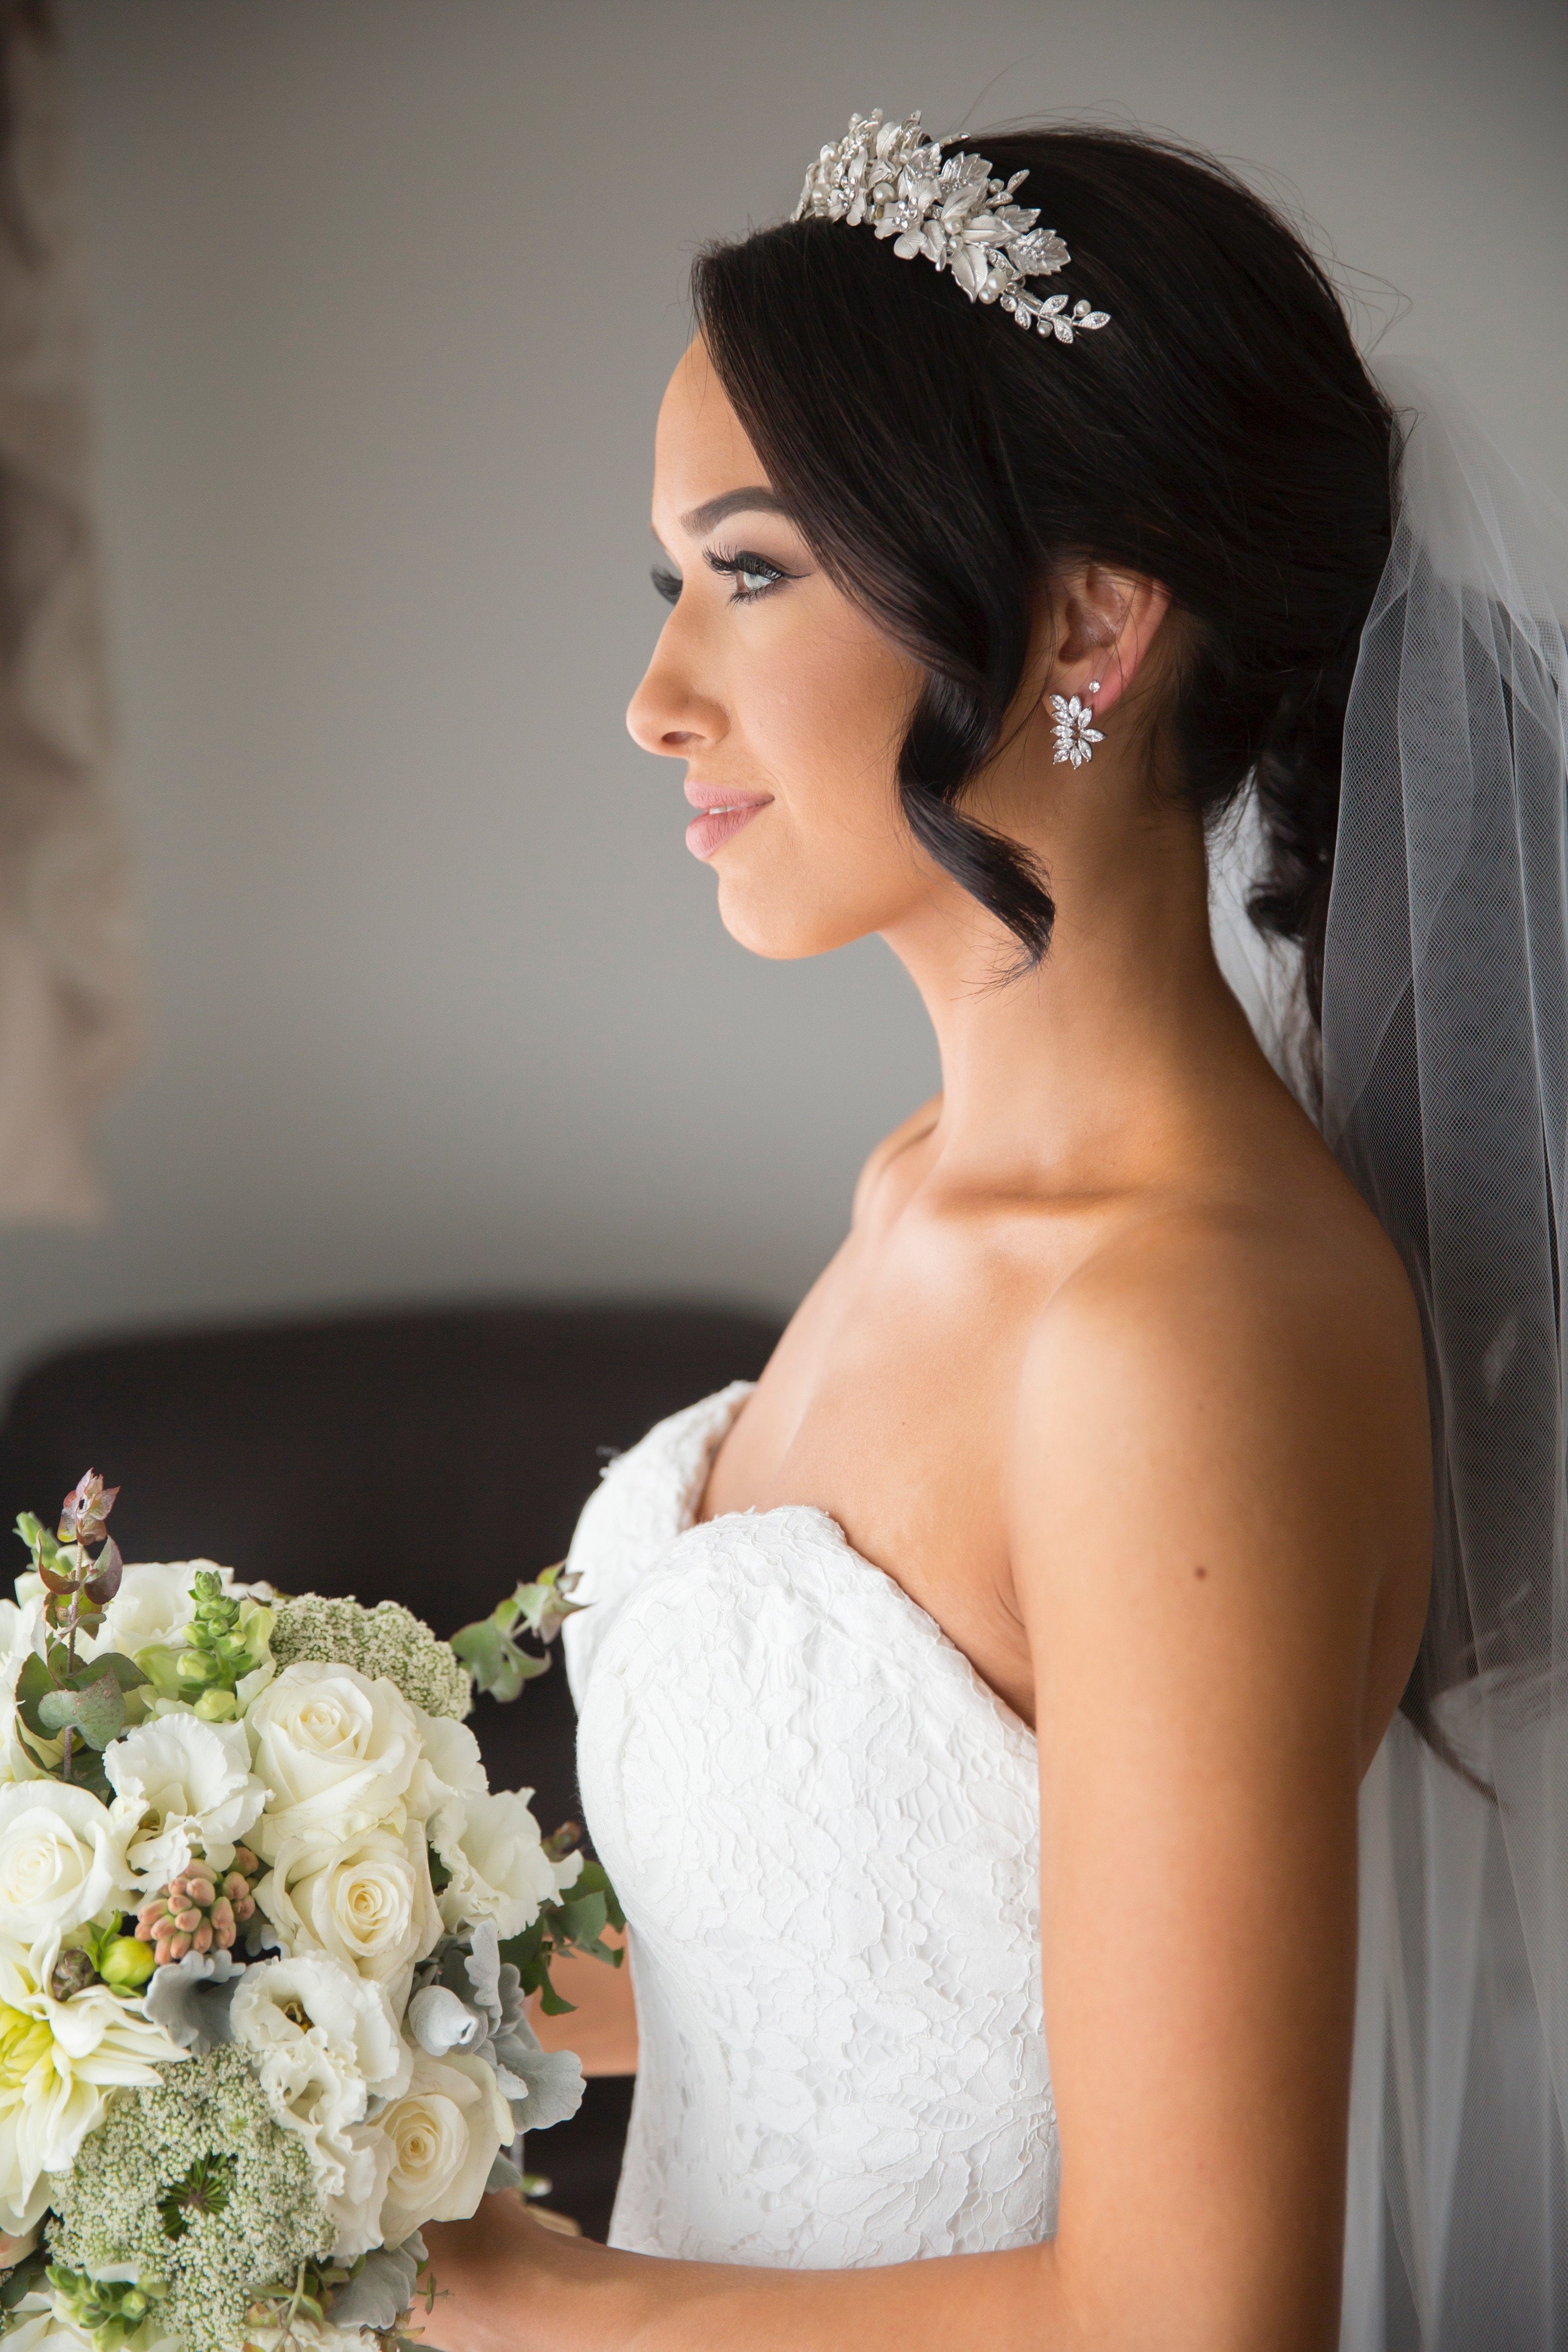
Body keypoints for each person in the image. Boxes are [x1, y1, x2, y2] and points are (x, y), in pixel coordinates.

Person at [424, 111, 1568, 2352]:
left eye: (747, 573)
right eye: (666, 580)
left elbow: (1194, 2310)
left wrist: (489, 2305)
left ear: (1087, 626)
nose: (657, 696)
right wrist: (306, 2010)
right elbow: (862, 1956)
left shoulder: (1181, 1331)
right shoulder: (919, 1192)